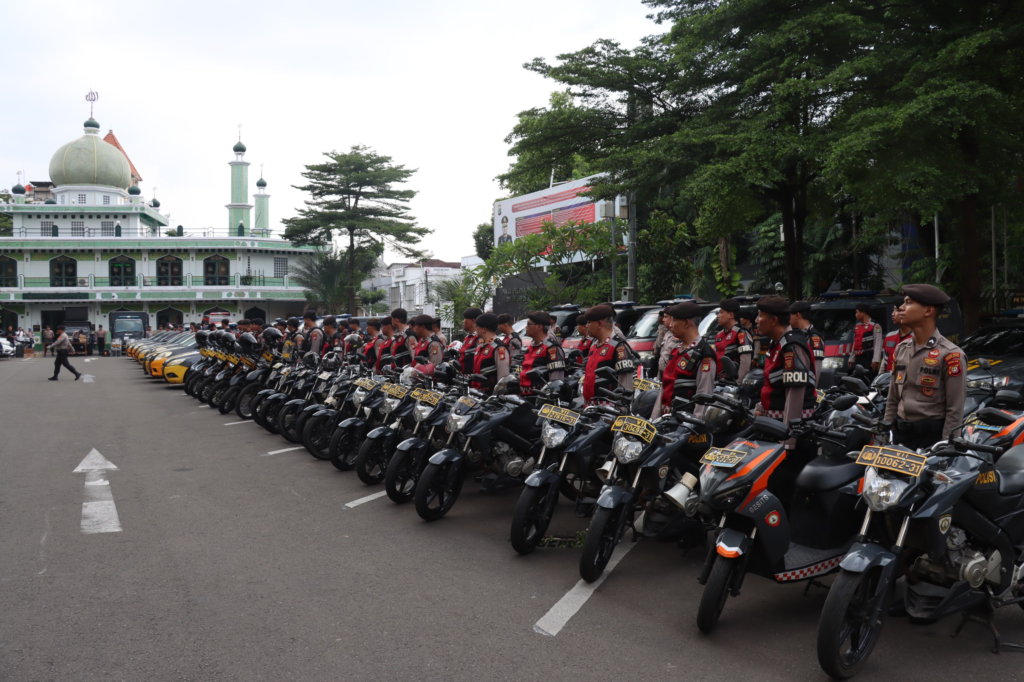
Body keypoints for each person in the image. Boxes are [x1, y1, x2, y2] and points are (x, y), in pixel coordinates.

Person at [883, 284, 965, 451]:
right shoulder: (901, 349)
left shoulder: (951, 355)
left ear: (928, 311)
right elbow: (893, 399)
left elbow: (954, 410)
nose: (901, 308)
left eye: (908, 302)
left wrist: (946, 447)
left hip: (931, 442)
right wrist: (885, 431)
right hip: (900, 437)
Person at [754, 296, 815, 433]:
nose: (756, 320)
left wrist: (788, 440)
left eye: (760, 316)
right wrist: (761, 408)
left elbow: (794, 399)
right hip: (774, 425)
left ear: (773, 320)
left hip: (789, 430)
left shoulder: (791, 347)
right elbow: (773, 386)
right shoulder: (776, 343)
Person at [652, 301, 717, 419]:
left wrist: (693, 425)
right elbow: (665, 386)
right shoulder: (676, 350)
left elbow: (703, 396)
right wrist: (654, 420)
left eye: (674, 321)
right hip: (666, 421)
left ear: (686, 323)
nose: (670, 325)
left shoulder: (704, 354)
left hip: (685, 423)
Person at [581, 304, 635, 406]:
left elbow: (625, 386)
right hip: (590, 408)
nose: (586, 326)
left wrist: (622, 410)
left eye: (589, 322)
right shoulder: (594, 345)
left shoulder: (619, 347)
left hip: (609, 409)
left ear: (599, 324)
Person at [518, 311, 566, 397]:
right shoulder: (531, 347)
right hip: (525, 396)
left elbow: (555, 384)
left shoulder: (552, 349)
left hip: (540, 398)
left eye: (528, 324)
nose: (526, 327)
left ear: (539, 327)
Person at [713, 298, 753, 381]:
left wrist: (738, 383)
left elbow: (745, 364)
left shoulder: (741, 333)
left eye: (721, 312)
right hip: (719, 382)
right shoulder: (719, 335)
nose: (718, 316)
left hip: (733, 383)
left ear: (730, 315)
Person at [470, 313, 511, 392]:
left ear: (484, 329)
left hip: (489, 394)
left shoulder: (499, 348)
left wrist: (497, 395)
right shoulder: (480, 346)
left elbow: (503, 378)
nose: (476, 329)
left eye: (477, 326)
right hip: (476, 392)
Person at [789, 301, 825, 381]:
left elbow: (816, 368)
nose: (789, 318)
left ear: (797, 315)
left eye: (790, 315)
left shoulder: (814, 337)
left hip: (808, 385)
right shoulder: (798, 334)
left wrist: (812, 387)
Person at [850, 303, 883, 377]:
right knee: (858, 378)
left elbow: (878, 344)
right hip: (858, 358)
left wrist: (875, 360)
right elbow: (855, 343)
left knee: (869, 377)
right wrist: (851, 358)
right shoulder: (857, 326)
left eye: (857, 312)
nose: (856, 314)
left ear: (863, 313)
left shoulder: (875, 326)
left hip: (869, 357)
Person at [882, 304, 912, 373]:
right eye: (893, 310)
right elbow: (884, 362)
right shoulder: (889, 336)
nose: (892, 314)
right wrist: (880, 376)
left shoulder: (917, 338)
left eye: (897, 310)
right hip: (888, 378)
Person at [459, 307, 482, 375]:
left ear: (472, 321)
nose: (463, 321)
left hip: (472, 376)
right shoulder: (467, 337)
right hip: (463, 376)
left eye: (465, 319)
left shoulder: (479, 338)